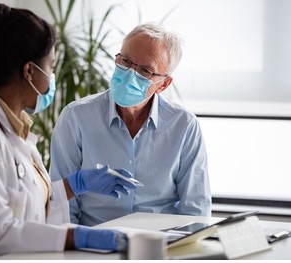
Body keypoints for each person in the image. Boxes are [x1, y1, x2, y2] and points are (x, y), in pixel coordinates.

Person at [0, 3, 137, 260]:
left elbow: (27, 205)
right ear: (30, 71)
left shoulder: (12, 128)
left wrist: (74, 185)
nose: (53, 76)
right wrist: (76, 236)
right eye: (52, 67)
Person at [50, 23, 211, 226]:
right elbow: (62, 205)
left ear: (163, 84)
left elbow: (196, 210)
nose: (129, 73)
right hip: (91, 245)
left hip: (160, 248)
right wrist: (77, 247)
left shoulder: (184, 126)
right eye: (125, 61)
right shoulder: (76, 117)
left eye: (144, 70)